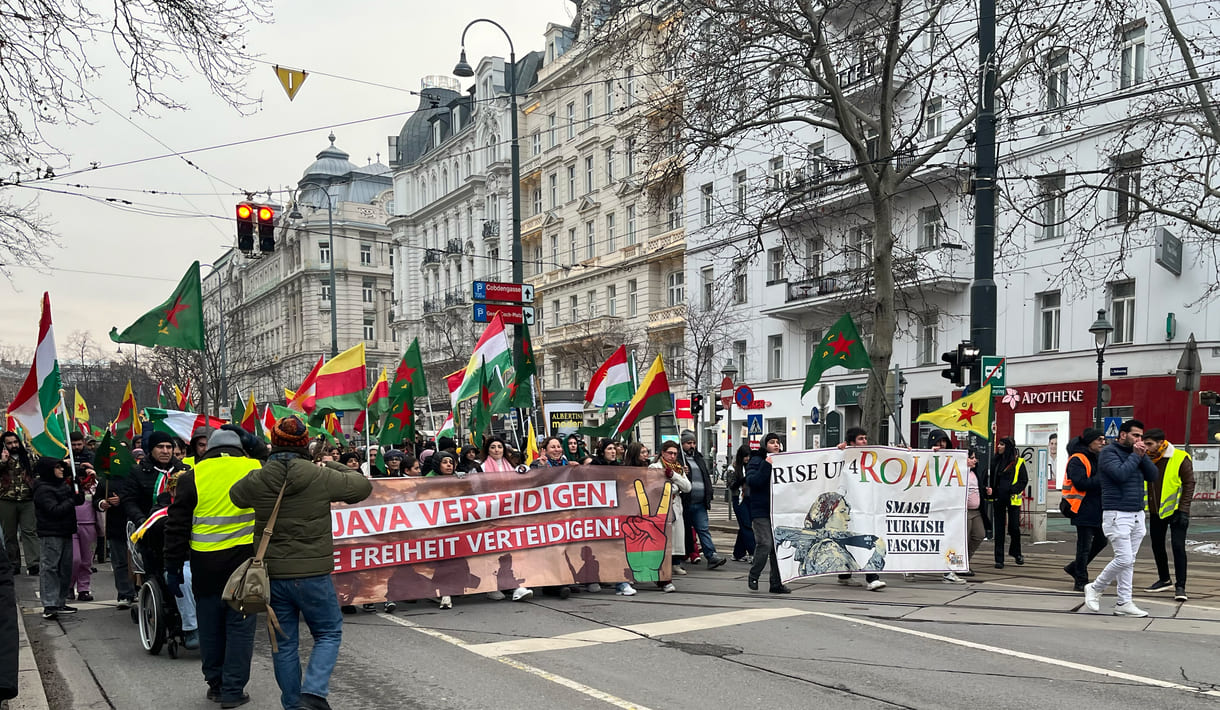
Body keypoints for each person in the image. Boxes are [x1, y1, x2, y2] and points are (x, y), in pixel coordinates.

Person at [230, 416, 372, 710]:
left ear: (275, 442)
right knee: (328, 632)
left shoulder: (260, 476)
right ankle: (314, 693)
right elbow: (361, 487)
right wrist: (328, 463)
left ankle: (294, 706)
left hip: (273, 574)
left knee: (283, 644)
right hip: (313, 574)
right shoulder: (319, 475)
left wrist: (264, 462)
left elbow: (236, 496)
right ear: (305, 443)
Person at [164, 429, 260, 708]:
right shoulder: (255, 467)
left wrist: (172, 566)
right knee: (240, 627)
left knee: (210, 626)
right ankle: (233, 690)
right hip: (244, 563)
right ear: (241, 447)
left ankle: (215, 684)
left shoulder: (193, 474)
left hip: (204, 564)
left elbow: (177, 525)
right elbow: (268, 456)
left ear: (208, 449)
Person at [123, 431, 198, 644]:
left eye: (169, 447)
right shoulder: (138, 472)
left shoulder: (185, 470)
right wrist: (144, 522)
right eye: (160, 447)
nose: (165, 451)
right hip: (152, 531)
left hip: (183, 530)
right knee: (158, 574)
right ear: (151, 449)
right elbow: (129, 501)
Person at [1084, 419, 1157, 617]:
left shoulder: (1137, 454)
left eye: (1141, 436)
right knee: (1124, 558)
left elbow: (1153, 475)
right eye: (1135, 435)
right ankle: (1095, 587)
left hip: (1137, 513)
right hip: (1117, 513)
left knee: (1129, 561)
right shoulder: (1109, 453)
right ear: (1123, 435)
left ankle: (1124, 601)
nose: (1139, 440)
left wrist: (1141, 457)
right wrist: (1136, 456)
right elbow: (1119, 475)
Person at [1142, 427, 1194, 601]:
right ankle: (1164, 579)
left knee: (1178, 547)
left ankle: (1181, 587)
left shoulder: (1179, 457)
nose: (1147, 447)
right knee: (1157, 545)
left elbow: (1189, 484)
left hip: (1177, 511)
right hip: (1157, 511)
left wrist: (1184, 510)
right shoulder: (1145, 458)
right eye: (1145, 443)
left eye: (1150, 444)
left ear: (1161, 443)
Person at [834, 427, 887, 590]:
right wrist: (839, 451)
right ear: (851, 442)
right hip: (849, 508)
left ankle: (847, 575)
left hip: (865, 507)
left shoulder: (871, 458)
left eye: (865, 438)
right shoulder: (844, 455)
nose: (865, 441)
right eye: (860, 439)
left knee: (860, 539)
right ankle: (871, 578)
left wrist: (907, 454)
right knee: (855, 540)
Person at [33, 457, 85, 619]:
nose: (61, 470)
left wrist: (78, 488)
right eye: (57, 467)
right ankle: (50, 603)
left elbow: (79, 500)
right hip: (51, 533)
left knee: (65, 568)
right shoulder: (43, 489)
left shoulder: (61, 485)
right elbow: (54, 510)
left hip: (65, 531)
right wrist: (71, 500)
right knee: (50, 568)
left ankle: (60, 601)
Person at [1063, 428, 1107, 592]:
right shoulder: (1077, 459)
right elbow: (1081, 483)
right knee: (1084, 546)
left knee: (1101, 541)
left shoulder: (1095, 458)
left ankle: (1075, 568)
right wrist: (1102, 477)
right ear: (1090, 442)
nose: (1103, 442)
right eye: (1099, 440)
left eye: (1104, 439)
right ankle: (1081, 580)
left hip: (1095, 508)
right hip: (1081, 507)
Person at [746, 433, 790, 594]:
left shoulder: (784, 461)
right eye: (772, 442)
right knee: (765, 544)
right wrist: (766, 465)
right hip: (761, 511)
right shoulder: (756, 461)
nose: (776, 445)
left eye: (778, 442)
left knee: (778, 548)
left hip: (779, 510)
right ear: (765, 445)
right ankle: (754, 574)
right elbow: (754, 482)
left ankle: (776, 583)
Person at [679, 431, 727, 570]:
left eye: (693, 443)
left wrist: (708, 493)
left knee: (703, 530)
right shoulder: (679, 460)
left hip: (700, 503)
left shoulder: (699, 458)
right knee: (683, 532)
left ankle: (711, 556)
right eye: (688, 443)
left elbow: (705, 476)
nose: (692, 445)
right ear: (682, 444)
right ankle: (679, 557)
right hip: (685, 502)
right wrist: (682, 471)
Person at [648, 441, 688, 593]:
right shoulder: (655, 467)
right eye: (670, 453)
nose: (672, 456)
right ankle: (663, 579)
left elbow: (687, 487)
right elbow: (655, 487)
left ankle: (664, 577)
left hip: (675, 509)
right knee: (661, 545)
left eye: (675, 453)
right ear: (663, 452)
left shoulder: (678, 469)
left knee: (671, 546)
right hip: (660, 509)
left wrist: (674, 477)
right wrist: (674, 487)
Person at [0, 432, 39, 575]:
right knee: (9, 534)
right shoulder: (2, 457)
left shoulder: (28, 456)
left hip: (27, 499)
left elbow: (37, 472)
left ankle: (34, 563)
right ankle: (13, 563)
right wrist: (3, 462)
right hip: (6, 500)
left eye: (15, 442)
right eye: (9, 443)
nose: (13, 445)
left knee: (29, 531)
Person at [988, 437, 1026, 569]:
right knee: (999, 530)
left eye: (1002, 444)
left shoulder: (1019, 462)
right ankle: (999, 559)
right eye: (998, 444)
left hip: (1012, 499)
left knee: (1014, 527)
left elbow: (1023, 480)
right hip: (998, 498)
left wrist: (1013, 490)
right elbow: (991, 478)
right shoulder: (995, 461)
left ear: (1008, 447)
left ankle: (1016, 552)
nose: (998, 446)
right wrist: (991, 491)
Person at [70, 460, 100, 602]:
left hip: (90, 526)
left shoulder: (93, 486)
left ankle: (83, 589)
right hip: (71, 526)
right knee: (74, 559)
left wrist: (94, 477)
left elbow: (100, 495)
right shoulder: (70, 486)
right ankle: (69, 586)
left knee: (86, 561)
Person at [726, 445, 755, 563]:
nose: (747, 459)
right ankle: (753, 552)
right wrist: (743, 479)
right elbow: (731, 485)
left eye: (749, 456)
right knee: (746, 525)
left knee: (744, 526)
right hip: (738, 499)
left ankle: (738, 553)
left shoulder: (751, 467)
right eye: (745, 456)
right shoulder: (733, 468)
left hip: (749, 499)